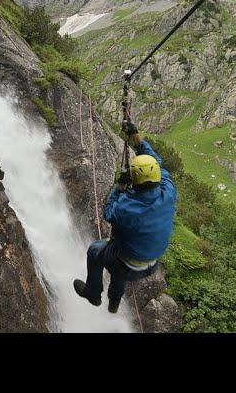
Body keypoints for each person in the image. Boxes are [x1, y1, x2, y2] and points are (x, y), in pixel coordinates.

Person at [73, 120, 177, 313]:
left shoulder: (127, 207)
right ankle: (114, 303)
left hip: (128, 264)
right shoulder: (168, 191)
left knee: (96, 251)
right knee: (118, 259)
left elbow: (108, 213)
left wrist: (118, 188)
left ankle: (93, 293)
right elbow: (154, 160)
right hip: (152, 264)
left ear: (134, 179)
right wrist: (136, 136)